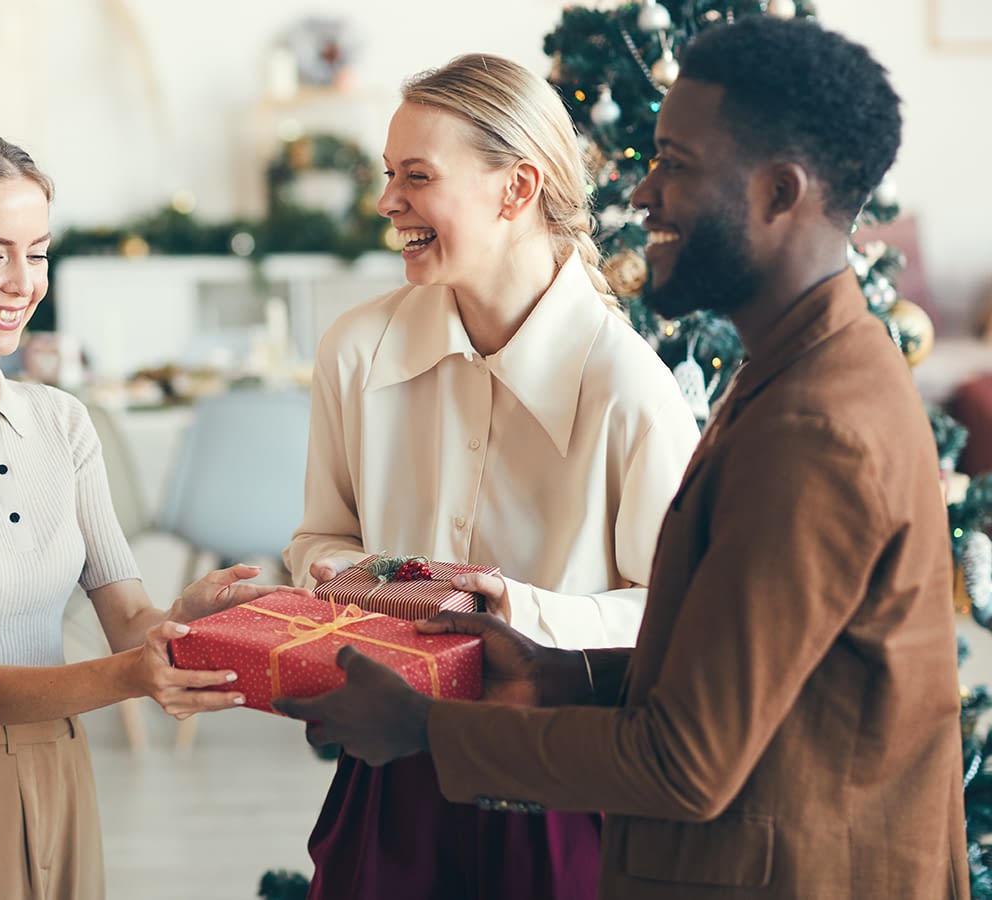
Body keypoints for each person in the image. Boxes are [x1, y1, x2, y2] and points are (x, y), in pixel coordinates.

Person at [277, 16, 971, 899]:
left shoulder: (814, 423)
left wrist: (426, 728)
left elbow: (688, 757)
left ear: (779, 193)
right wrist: (561, 670)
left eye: (676, 164)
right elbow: (719, 655)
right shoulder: (793, 373)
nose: (639, 195)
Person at [0, 131, 304, 900]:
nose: (22, 283)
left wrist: (186, 623)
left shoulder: (63, 422)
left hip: (62, 758)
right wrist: (132, 676)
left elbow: (128, 618)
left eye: (37, 252)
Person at [280, 53, 699, 900]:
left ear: (517, 190)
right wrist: (331, 575)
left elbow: (678, 618)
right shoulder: (356, 351)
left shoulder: (630, 390)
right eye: (388, 174)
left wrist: (514, 611)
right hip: (391, 771)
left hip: (558, 780)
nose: (387, 201)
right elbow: (322, 534)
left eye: (417, 176)